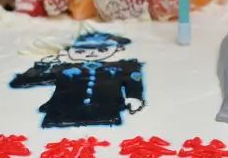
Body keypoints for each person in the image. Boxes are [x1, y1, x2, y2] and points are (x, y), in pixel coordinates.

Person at [10, 31, 145, 128]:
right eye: (80, 50)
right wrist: (40, 67)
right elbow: (22, 82)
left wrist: (134, 96)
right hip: (61, 114)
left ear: (117, 48)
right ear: (68, 51)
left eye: (102, 49)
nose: (91, 53)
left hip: (107, 113)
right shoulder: (61, 67)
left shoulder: (122, 66)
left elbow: (133, 77)